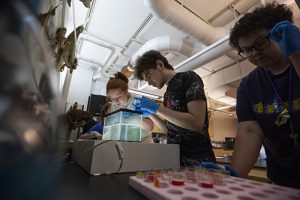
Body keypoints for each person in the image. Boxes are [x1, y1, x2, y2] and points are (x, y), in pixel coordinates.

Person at [227, 3, 300, 188]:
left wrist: (297, 54)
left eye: (260, 43)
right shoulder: (248, 86)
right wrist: (231, 179)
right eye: (247, 50)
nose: (255, 54)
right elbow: (250, 131)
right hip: (281, 182)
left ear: (280, 33)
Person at [133, 50, 215, 166]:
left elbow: (196, 123)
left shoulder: (188, 78)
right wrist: (151, 113)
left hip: (198, 161)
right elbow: (169, 129)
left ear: (160, 65)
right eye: (147, 80)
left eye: (148, 76)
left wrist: (157, 108)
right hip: (175, 159)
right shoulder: (167, 94)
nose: (150, 83)